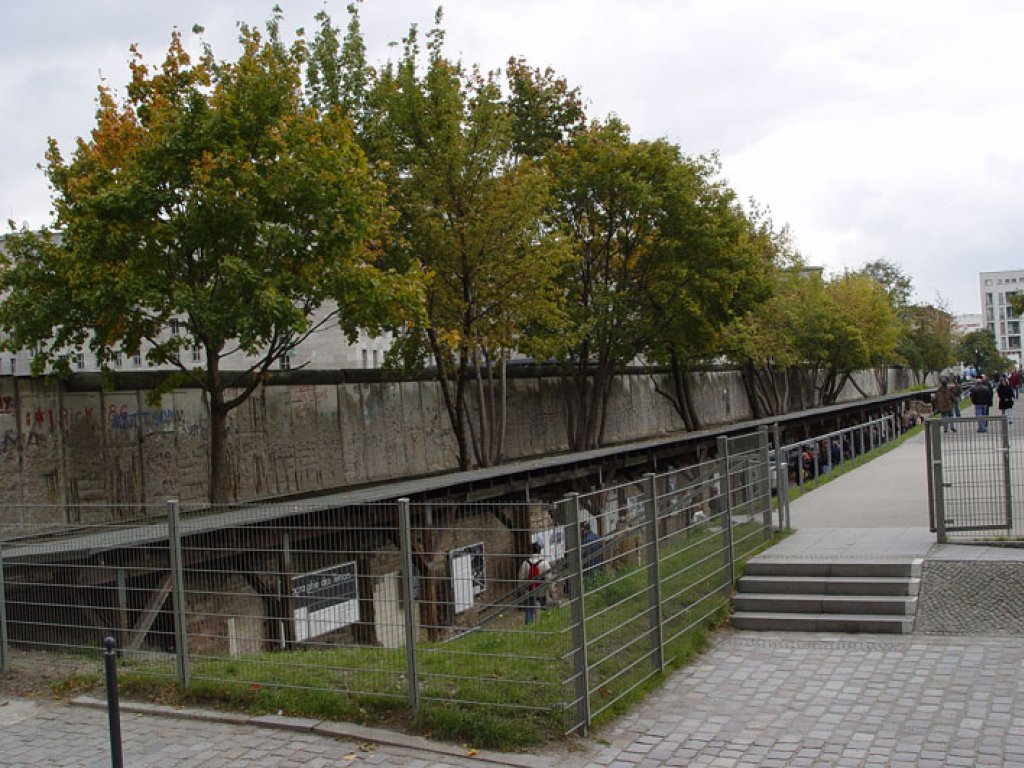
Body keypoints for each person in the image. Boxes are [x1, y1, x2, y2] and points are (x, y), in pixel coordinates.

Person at [519, 541, 550, 624]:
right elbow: (549, 580)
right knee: (544, 609)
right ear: (540, 551)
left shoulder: (525, 563)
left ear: (530, 551)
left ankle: (529, 627)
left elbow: (521, 579)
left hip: (530, 591)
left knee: (529, 610)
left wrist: (522, 591)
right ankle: (544, 624)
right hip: (542, 591)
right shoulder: (545, 563)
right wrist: (551, 592)